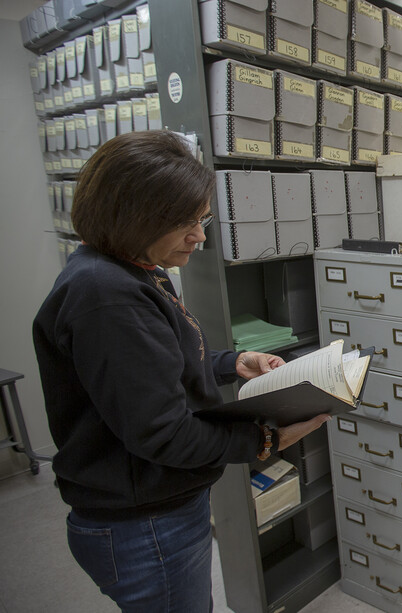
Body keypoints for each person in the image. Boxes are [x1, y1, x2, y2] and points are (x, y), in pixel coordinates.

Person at [32, 130, 329, 612]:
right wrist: (265, 442)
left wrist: (232, 362)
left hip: (154, 510)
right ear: (133, 217)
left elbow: (157, 368)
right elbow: (163, 434)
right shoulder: (107, 296)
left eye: (202, 218)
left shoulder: (135, 269)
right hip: (143, 523)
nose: (200, 236)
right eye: (184, 222)